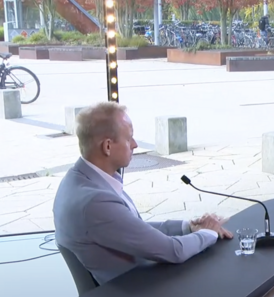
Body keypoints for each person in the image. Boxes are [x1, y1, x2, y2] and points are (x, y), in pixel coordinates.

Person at [53, 102, 233, 286]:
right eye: (129, 138)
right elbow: (173, 251)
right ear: (107, 146)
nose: (135, 144)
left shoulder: (78, 178)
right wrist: (208, 232)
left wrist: (188, 227)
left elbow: (134, 229)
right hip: (135, 296)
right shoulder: (96, 202)